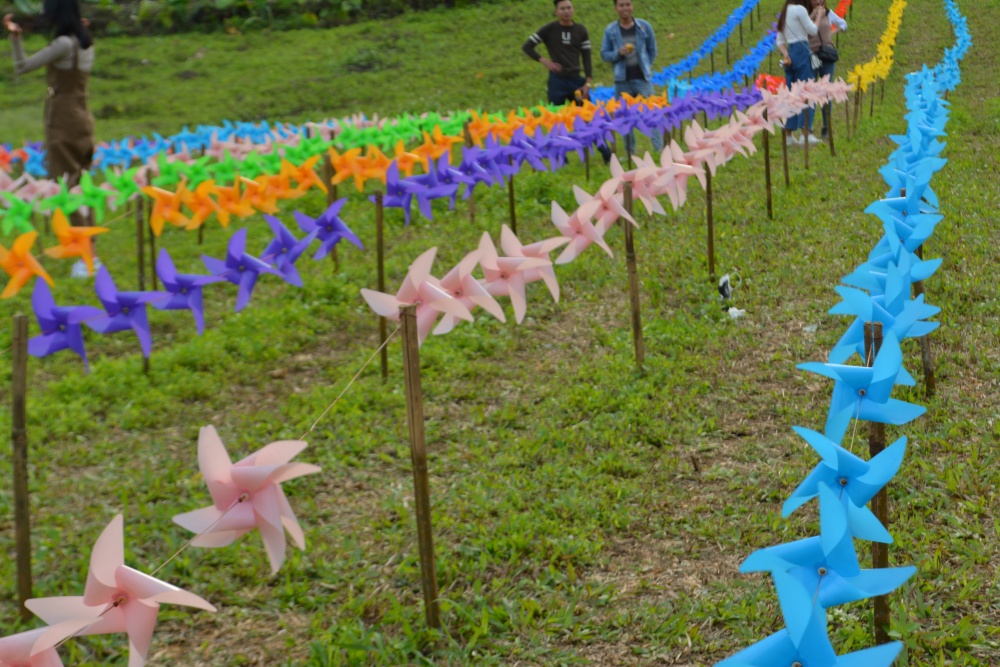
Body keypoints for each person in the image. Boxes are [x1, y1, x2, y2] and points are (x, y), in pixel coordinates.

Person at [5, 0, 95, 233]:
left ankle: (82, 250)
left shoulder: (64, 44)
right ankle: (90, 247)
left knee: (64, 184)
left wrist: (15, 38)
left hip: (63, 119)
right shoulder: (85, 41)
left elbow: (22, 66)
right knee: (82, 183)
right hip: (83, 116)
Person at [523, 0, 612, 163]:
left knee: (588, 117)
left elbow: (586, 57)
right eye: (562, 8)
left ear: (573, 9)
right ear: (556, 12)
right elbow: (527, 46)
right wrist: (544, 61)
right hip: (557, 82)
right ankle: (561, 157)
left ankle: (606, 153)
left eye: (569, 7)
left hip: (577, 81)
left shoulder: (580, 30)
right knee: (556, 120)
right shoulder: (549, 29)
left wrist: (588, 82)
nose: (566, 11)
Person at [600, 0, 663, 155]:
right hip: (622, 80)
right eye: (621, 5)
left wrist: (646, 65)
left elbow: (652, 50)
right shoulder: (610, 30)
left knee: (651, 112)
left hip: (642, 78)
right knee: (624, 117)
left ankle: (659, 149)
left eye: (628, 4)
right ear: (615, 8)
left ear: (632, 6)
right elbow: (604, 54)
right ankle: (630, 152)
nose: (625, 8)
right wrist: (618, 53)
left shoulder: (644, 26)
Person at [775, 0, 820, 146]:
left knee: (791, 94)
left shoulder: (785, 12)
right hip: (802, 51)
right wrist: (818, 15)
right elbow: (812, 30)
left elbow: (779, 40)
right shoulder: (800, 9)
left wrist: (786, 54)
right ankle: (805, 133)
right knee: (807, 91)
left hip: (790, 54)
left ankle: (788, 135)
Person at [809, 0, 845, 138]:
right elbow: (803, 31)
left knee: (826, 91)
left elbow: (843, 23)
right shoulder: (805, 14)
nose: (818, 1)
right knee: (810, 90)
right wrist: (813, 15)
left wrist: (832, 33)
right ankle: (809, 129)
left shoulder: (829, 14)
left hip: (826, 55)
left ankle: (826, 127)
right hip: (811, 55)